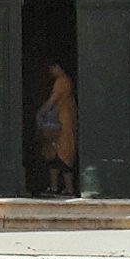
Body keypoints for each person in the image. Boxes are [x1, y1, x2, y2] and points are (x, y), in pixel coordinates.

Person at [33, 62, 77, 197]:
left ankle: (65, 188)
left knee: (62, 156)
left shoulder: (62, 81)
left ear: (58, 67)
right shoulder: (66, 82)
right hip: (63, 122)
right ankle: (56, 187)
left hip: (60, 123)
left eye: (52, 67)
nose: (50, 71)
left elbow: (52, 101)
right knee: (55, 156)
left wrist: (40, 113)